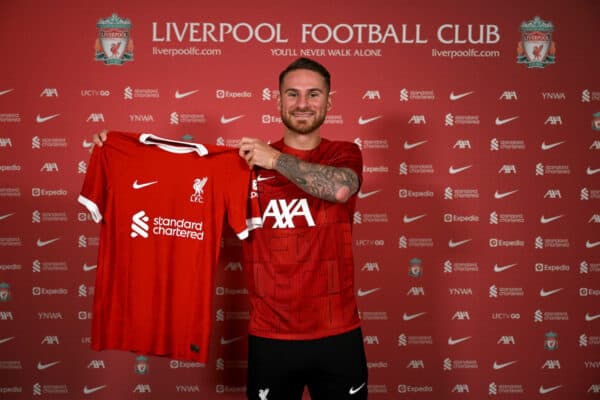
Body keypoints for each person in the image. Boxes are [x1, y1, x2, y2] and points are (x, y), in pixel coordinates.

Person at [93, 57, 367, 400]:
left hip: (338, 333)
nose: (302, 104)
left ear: (329, 101)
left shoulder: (344, 153)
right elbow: (176, 176)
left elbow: (340, 188)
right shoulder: (243, 166)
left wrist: (276, 160)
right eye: (292, 94)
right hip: (271, 336)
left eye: (313, 94)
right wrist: (120, 150)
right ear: (278, 100)